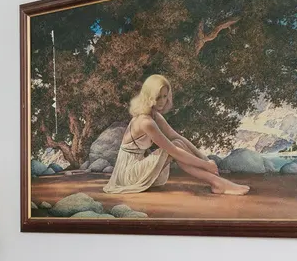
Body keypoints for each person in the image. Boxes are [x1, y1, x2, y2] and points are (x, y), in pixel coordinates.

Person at [104, 74, 249, 196]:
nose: (161, 101)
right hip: (127, 175)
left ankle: (217, 182)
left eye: (165, 96)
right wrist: (206, 165)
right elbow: (172, 150)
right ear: (148, 96)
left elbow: (178, 137)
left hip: (138, 167)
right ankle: (218, 184)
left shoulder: (155, 116)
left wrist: (206, 160)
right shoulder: (145, 122)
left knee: (178, 142)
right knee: (174, 149)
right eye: (157, 96)